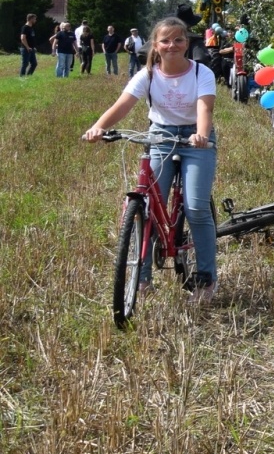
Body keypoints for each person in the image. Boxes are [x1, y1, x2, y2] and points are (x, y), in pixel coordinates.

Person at [82, 17, 220, 302]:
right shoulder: (147, 75)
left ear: (187, 43)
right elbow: (123, 105)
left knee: (196, 208)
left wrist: (202, 135)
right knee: (148, 207)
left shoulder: (201, 72)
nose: (172, 45)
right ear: (155, 45)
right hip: (160, 135)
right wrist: (99, 127)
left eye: (178, 39)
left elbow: (204, 109)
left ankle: (206, 279)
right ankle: (142, 279)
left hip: (195, 137)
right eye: (165, 40)